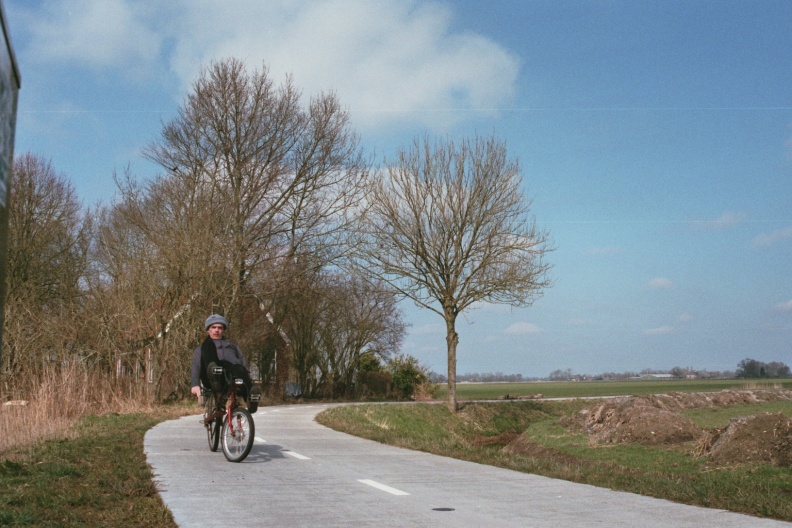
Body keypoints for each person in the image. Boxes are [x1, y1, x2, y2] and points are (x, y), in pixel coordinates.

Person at [190, 314, 261, 413]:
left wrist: (246, 377)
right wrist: (195, 384)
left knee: (239, 368)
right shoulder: (202, 348)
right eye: (213, 327)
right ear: (208, 330)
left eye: (220, 328)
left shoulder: (231, 345)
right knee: (209, 345)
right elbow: (196, 366)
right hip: (210, 376)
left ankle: (251, 399)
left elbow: (242, 361)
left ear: (223, 330)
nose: (216, 330)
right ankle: (215, 376)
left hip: (230, 374)